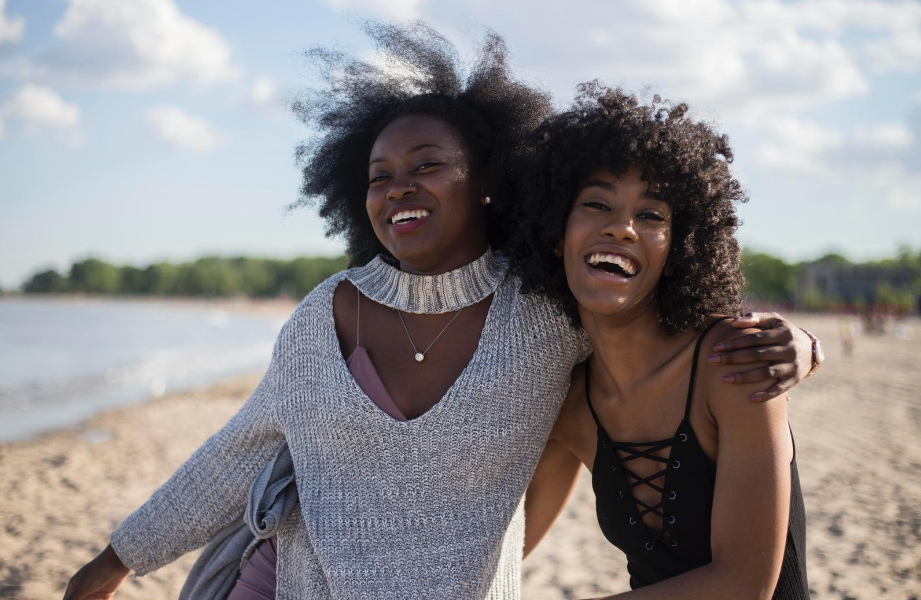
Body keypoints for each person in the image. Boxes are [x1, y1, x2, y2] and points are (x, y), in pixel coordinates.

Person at [63, 24, 816, 600]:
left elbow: (647, 323)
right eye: (380, 176)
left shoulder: (545, 318)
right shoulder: (324, 316)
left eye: (428, 166)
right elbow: (239, 452)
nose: (401, 188)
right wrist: (116, 560)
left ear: (487, 182)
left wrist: (802, 344)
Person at [513, 84, 809, 598]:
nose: (622, 228)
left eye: (651, 215)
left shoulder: (731, 363)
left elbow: (743, 585)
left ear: (678, 249)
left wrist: (807, 344)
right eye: (596, 203)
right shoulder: (569, 402)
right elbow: (503, 548)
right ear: (556, 231)